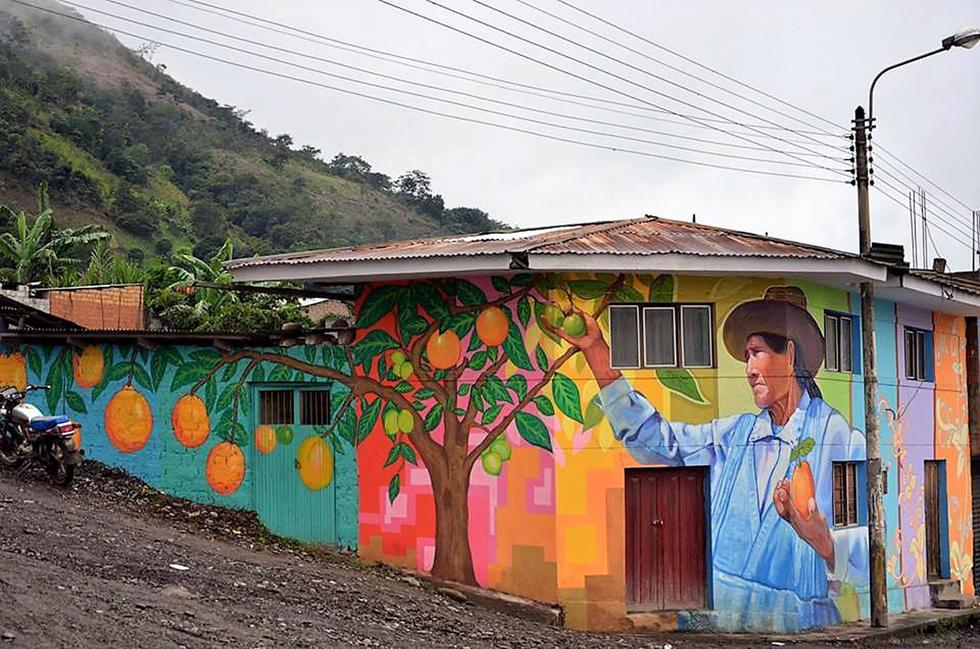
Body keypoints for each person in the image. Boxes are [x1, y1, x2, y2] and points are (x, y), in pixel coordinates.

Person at [550, 286, 868, 631]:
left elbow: (872, 545)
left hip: (802, 618)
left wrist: (825, 542)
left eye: (756, 352)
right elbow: (655, 440)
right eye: (746, 356)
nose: (748, 369)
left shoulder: (835, 435)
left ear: (789, 355)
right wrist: (597, 351)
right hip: (713, 621)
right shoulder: (733, 436)